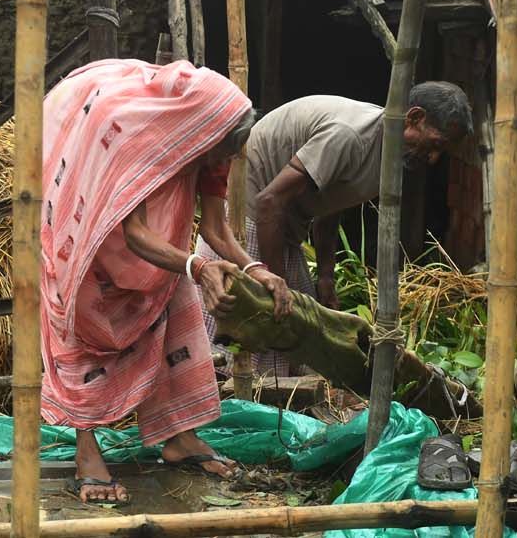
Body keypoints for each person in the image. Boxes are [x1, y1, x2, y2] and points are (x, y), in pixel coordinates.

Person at [40, 59, 291, 506]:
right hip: (91, 243)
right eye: (220, 153)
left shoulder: (216, 142)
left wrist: (256, 268)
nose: (222, 163)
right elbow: (133, 233)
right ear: (200, 133)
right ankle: (86, 453)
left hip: (159, 252)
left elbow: (216, 229)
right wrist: (196, 267)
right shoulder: (132, 136)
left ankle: (180, 438)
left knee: (178, 321)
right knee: (84, 338)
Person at [199, 83, 473, 375]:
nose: (433, 159)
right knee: (257, 340)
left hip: (283, 225)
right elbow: (269, 202)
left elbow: (329, 202)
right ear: (414, 118)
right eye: (434, 145)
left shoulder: (389, 154)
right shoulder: (351, 136)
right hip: (248, 212)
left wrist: (327, 274)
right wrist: (272, 281)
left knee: (306, 333)